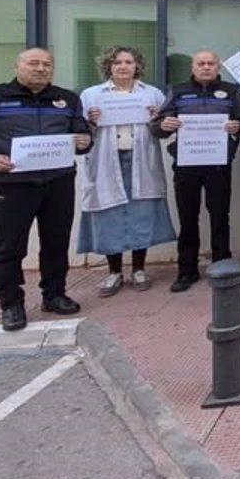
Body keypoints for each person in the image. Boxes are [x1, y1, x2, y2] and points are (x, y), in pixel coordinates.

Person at [0, 48, 93, 331]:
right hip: (12, 185)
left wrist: (84, 141)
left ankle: (54, 294)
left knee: (56, 242)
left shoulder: (67, 99)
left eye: (47, 64)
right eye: (33, 63)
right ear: (17, 65)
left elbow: (81, 134)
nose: (41, 69)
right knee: (9, 246)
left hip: (58, 182)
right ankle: (10, 302)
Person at [78, 46, 175, 297]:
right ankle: (114, 272)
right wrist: (90, 121)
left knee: (140, 212)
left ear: (137, 66)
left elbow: (164, 131)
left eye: (128, 62)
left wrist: (158, 119)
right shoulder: (91, 95)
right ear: (108, 66)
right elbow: (79, 133)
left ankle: (139, 268)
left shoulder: (152, 94)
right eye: (117, 62)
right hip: (106, 161)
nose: (123, 66)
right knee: (110, 212)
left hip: (140, 158)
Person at [151, 50, 240, 293]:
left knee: (219, 216)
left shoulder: (232, 90)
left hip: (219, 163)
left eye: (211, 63)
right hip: (186, 164)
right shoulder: (179, 91)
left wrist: (239, 126)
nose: (206, 67)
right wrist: (163, 124)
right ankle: (186, 271)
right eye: (201, 63)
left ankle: (222, 265)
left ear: (218, 67)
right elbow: (157, 126)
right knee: (187, 218)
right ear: (193, 67)